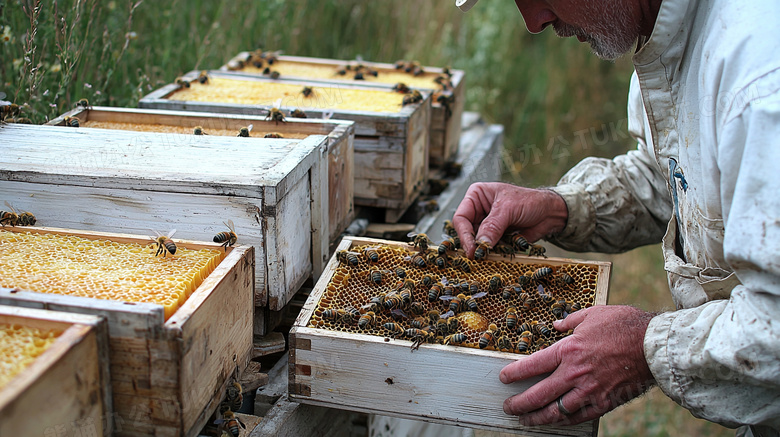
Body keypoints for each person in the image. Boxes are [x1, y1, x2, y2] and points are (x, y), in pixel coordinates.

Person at [452, 0, 780, 435]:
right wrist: (563, 205)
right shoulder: (665, 34)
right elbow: (678, 180)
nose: (534, 22)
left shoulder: (759, 83)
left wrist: (644, 347)